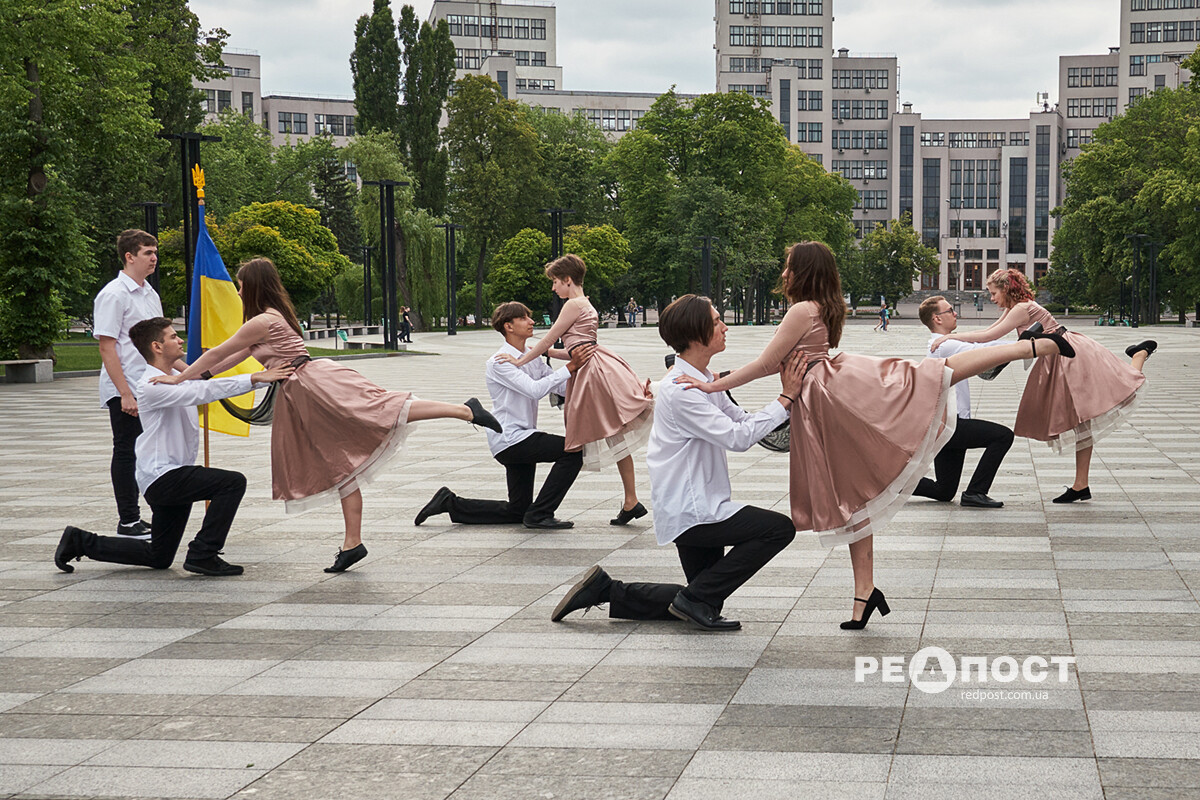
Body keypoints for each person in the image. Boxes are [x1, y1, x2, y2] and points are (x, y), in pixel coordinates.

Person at [676, 242, 1075, 629]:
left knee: (937, 374)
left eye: (789, 265)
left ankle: (1032, 347)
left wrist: (711, 385)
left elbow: (767, 363)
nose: (784, 272)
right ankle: (864, 593)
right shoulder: (823, 307)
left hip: (830, 396)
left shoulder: (801, 308)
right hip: (828, 396)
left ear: (803, 271)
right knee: (855, 494)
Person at [149, 258, 502, 573]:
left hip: (311, 385)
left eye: (241, 284)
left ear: (253, 286)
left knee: (381, 411)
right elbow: (225, 360)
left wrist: (180, 377)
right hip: (301, 391)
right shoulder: (269, 318)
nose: (238, 290)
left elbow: (220, 353)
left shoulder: (262, 320)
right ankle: (353, 543)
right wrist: (189, 373)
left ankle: (464, 411)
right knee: (339, 461)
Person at [552, 295, 797, 630]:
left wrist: (785, 401)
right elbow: (737, 438)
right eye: (716, 321)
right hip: (694, 510)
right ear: (696, 335)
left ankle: (607, 590)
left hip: (695, 504)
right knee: (777, 530)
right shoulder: (681, 389)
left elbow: (742, 420)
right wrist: (785, 399)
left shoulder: (703, 380)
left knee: (703, 596)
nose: (724, 327)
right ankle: (691, 601)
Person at [55, 318, 293, 576]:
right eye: (172, 337)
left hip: (172, 474)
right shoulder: (152, 385)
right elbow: (205, 391)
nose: (180, 340)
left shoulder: (176, 378)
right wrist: (256, 376)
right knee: (232, 482)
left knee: (159, 556)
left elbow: (205, 382)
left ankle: (79, 541)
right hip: (163, 476)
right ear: (157, 347)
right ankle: (204, 553)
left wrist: (264, 378)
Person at [932, 268, 1154, 504]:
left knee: (1104, 399)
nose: (992, 298)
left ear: (1006, 289)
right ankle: (1081, 485)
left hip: (1067, 354)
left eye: (993, 292)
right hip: (1057, 355)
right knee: (1081, 420)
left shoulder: (1022, 308)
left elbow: (989, 336)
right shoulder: (1015, 308)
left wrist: (951, 337)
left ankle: (1139, 355)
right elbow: (989, 333)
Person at [496, 255, 653, 526]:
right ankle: (631, 499)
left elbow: (547, 338)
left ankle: (542, 510)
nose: (553, 288)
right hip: (597, 364)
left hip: (589, 372)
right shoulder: (587, 304)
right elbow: (570, 348)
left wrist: (520, 359)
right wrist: (545, 355)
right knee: (616, 431)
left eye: (556, 282)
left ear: (567, 280)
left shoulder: (572, 305)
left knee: (580, 440)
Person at [415, 302, 596, 529]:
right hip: (511, 438)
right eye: (524, 318)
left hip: (521, 436)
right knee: (572, 452)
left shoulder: (531, 357)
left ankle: (450, 503)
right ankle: (541, 513)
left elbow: (559, 388)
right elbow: (534, 389)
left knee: (517, 510)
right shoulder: (499, 361)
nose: (531, 322)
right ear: (508, 326)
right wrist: (569, 367)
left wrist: (586, 373)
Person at [93, 229, 168, 539]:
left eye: (155, 252)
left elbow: (162, 344)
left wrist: (190, 373)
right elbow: (107, 347)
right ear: (129, 256)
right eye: (147, 252)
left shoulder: (150, 293)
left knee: (152, 452)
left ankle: (147, 515)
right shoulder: (114, 294)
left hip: (152, 385)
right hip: (126, 388)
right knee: (127, 452)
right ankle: (128, 520)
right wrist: (125, 393)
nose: (154, 258)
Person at [912, 295, 1015, 509]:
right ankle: (976, 492)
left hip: (944, 425)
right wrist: (1027, 344)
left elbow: (982, 342)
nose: (955, 313)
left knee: (944, 491)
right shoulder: (944, 346)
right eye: (950, 310)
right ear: (937, 318)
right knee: (1003, 436)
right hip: (952, 424)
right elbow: (986, 350)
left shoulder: (943, 344)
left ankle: (892, 484)